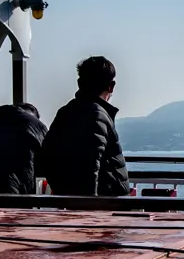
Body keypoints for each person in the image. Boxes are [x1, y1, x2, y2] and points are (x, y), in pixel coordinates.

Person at [38, 56, 130, 196]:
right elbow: (90, 164)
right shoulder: (97, 114)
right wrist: (88, 204)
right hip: (103, 205)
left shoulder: (65, 112)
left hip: (70, 198)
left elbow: (47, 156)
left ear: (79, 83)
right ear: (111, 86)